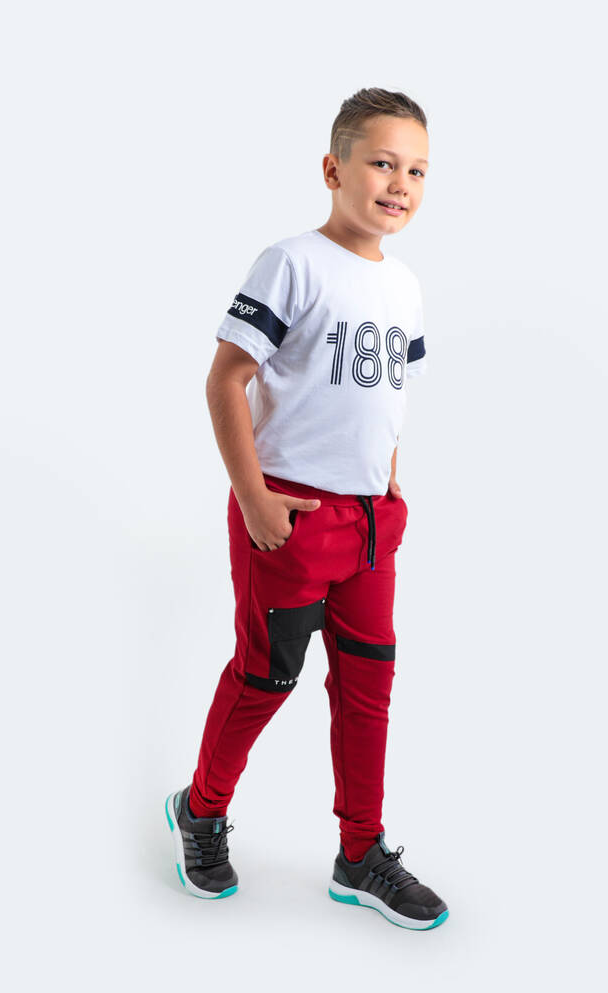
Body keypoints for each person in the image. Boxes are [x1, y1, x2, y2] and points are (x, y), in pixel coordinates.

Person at [165, 87, 449, 931]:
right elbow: (226, 379)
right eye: (382, 163)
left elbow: (385, 395)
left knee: (368, 687)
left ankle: (360, 852)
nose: (399, 184)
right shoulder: (291, 262)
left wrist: (388, 479)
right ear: (333, 169)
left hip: (370, 527)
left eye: (417, 171)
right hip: (289, 519)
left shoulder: (404, 286)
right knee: (265, 676)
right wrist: (253, 497)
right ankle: (201, 810)